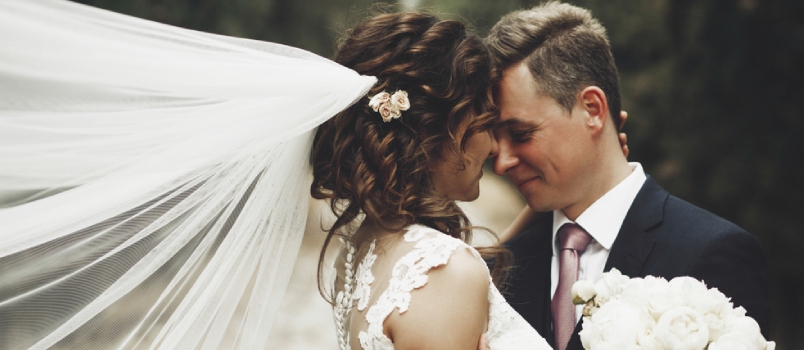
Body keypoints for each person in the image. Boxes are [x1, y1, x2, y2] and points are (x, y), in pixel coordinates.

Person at [484, 3, 771, 350]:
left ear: (592, 109)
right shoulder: (498, 272)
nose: (501, 163)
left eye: (520, 133)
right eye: (492, 141)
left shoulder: (713, 251)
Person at [310, 12, 552, 350]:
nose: (494, 146)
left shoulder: (358, 251)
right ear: (432, 131)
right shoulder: (445, 271)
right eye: (484, 123)